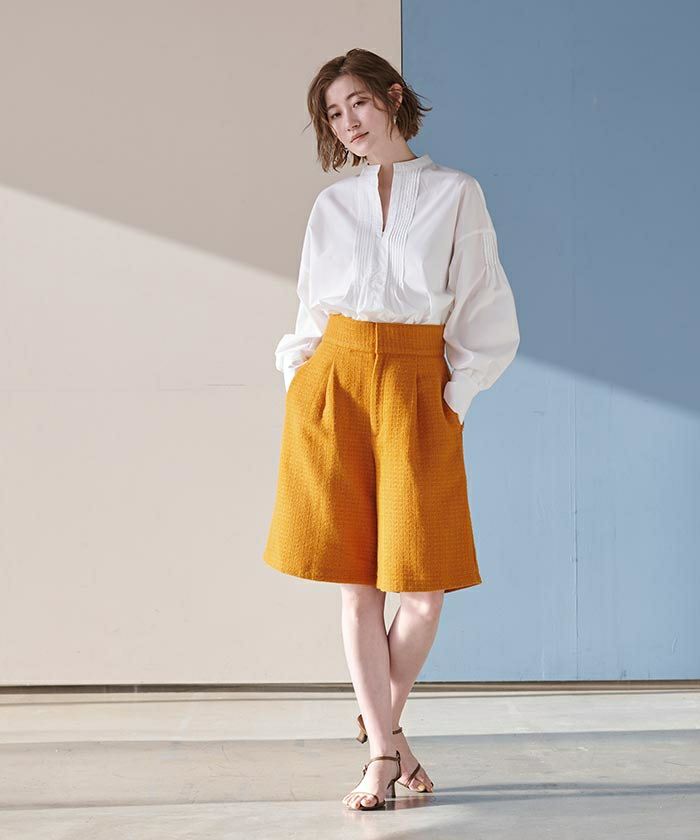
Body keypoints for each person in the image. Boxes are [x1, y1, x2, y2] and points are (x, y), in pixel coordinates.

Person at [263, 48, 520, 811]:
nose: (347, 122)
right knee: (358, 589)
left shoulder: (455, 194)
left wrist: (454, 399)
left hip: (416, 388)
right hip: (336, 386)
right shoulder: (332, 206)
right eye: (333, 114)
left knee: (424, 592)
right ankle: (383, 751)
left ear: (392, 97)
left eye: (357, 103)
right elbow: (311, 308)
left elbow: (483, 304)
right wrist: (300, 382)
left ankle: (383, 726)